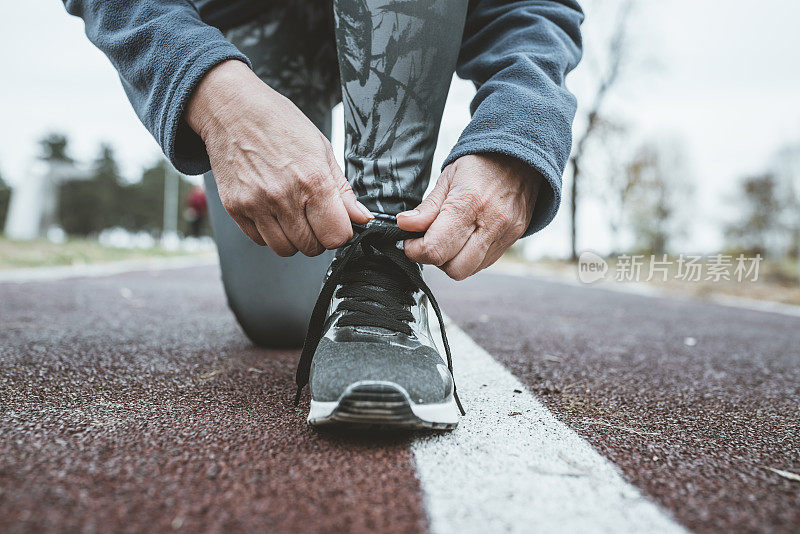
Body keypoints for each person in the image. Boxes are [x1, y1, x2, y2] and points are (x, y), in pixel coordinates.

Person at [63, 0, 583, 429]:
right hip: (243, 18)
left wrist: (521, 134)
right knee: (279, 313)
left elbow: (534, 7)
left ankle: (379, 263)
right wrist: (218, 101)